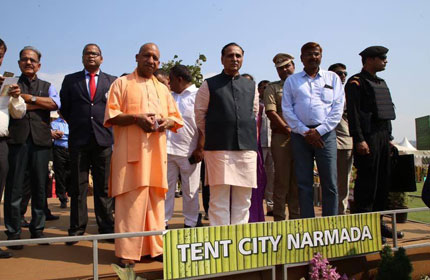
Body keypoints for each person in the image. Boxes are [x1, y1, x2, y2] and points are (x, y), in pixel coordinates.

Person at [104, 43, 183, 266]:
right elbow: (111, 115)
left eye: (155, 58)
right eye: (147, 56)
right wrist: (136, 118)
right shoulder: (121, 83)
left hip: (156, 155)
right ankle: (127, 253)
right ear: (137, 57)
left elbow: (176, 119)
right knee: (130, 204)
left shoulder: (162, 88)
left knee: (156, 202)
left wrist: (165, 122)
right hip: (129, 156)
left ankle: (154, 249)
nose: (151, 61)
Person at [195, 42, 259, 226]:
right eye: (230, 55)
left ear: (243, 58)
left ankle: (238, 244)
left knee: (243, 200)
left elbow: (253, 113)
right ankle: (220, 245)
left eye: (238, 55)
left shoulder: (251, 85)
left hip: (246, 149)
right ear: (222, 59)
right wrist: (216, 132)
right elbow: (199, 114)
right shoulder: (209, 85)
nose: (234, 59)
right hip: (218, 149)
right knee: (219, 200)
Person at [4, 46, 60, 249]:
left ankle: (38, 229)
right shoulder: (10, 83)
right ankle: (13, 232)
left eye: (32, 60)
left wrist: (27, 99)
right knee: (15, 188)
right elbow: (5, 105)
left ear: (39, 65)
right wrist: (39, 104)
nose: (28, 63)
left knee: (39, 187)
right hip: (17, 141)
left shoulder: (47, 85)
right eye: (24, 59)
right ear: (19, 63)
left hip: (41, 141)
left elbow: (55, 104)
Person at [345, 46, 403, 240]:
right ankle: (364, 227)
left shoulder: (381, 82)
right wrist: (359, 139)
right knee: (367, 184)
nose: (385, 61)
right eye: (381, 58)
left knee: (382, 183)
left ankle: (379, 223)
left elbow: (386, 115)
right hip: (367, 138)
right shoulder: (355, 83)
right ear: (369, 60)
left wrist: (390, 139)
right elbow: (353, 115)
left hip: (383, 137)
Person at [60, 44, 115, 245]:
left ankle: (107, 226)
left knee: (104, 186)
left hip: (103, 140)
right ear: (82, 58)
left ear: (101, 58)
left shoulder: (113, 81)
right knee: (78, 186)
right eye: (87, 53)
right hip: (79, 140)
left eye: (94, 53)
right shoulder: (70, 80)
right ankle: (76, 228)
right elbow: (64, 108)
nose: (90, 56)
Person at [282, 42, 344, 218]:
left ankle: (329, 224)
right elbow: (287, 109)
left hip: (326, 135)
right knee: (303, 183)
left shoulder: (332, 78)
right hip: (300, 136)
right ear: (301, 58)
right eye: (308, 54)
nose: (313, 57)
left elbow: (337, 108)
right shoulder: (292, 81)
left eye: (316, 54)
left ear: (321, 56)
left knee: (330, 183)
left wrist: (319, 131)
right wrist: (305, 132)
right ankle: (308, 224)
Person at [165, 64, 203, 228]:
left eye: (171, 80)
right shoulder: (169, 96)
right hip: (167, 151)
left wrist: (200, 148)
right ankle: (162, 224)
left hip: (190, 152)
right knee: (166, 191)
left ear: (179, 79)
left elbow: (203, 124)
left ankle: (191, 223)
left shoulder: (199, 95)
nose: (169, 83)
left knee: (190, 191)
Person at [264, 53, 300, 221]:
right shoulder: (272, 87)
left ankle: (296, 219)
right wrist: (287, 128)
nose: (285, 70)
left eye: (287, 66)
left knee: (298, 181)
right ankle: (279, 219)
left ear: (294, 65)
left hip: (304, 137)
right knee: (282, 181)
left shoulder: (304, 83)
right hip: (282, 138)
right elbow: (271, 111)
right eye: (280, 68)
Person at [0, 38, 26, 258]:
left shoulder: (5, 82)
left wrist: (17, 97)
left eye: (0, 55)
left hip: (1, 142)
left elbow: (18, 113)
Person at [328, 63, 353, 215]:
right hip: (328, 141)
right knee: (329, 182)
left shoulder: (349, 93)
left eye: (345, 73)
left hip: (346, 142)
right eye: (339, 73)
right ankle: (330, 214)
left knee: (344, 181)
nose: (343, 76)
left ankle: (340, 213)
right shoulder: (324, 92)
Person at [257, 80, 275, 216]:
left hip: (273, 144)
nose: (267, 89)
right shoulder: (255, 104)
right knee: (258, 176)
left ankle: (270, 206)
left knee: (272, 176)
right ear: (259, 90)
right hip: (259, 145)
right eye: (264, 87)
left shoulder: (275, 104)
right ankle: (256, 207)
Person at [50, 111, 70, 208]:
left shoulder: (73, 121)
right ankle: (62, 198)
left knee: (71, 173)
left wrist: (64, 135)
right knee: (60, 174)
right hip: (59, 150)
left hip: (72, 150)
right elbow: (54, 135)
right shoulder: (54, 123)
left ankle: (71, 194)